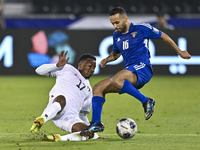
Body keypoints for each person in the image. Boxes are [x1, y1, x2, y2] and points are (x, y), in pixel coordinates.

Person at [80, 7, 191, 136]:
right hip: (129, 72)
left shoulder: (142, 28)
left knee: (117, 79)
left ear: (125, 19)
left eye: (117, 22)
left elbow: (163, 36)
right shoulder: (116, 35)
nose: (115, 26)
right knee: (98, 87)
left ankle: (146, 101)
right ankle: (96, 124)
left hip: (143, 68)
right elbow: (116, 54)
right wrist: (107, 59)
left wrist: (180, 51)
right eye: (112, 23)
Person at [30, 50, 101, 141]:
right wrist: (56, 65)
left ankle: (58, 138)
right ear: (80, 65)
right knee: (62, 99)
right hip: (56, 107)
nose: (92, 70)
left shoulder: (89, 90)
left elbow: (83, 114)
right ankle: (42, 119)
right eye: (90, 66)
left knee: (87, 132)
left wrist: (93, 133)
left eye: (94, 67)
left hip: (69, 119)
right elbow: (38, 71)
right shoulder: (66, 69)